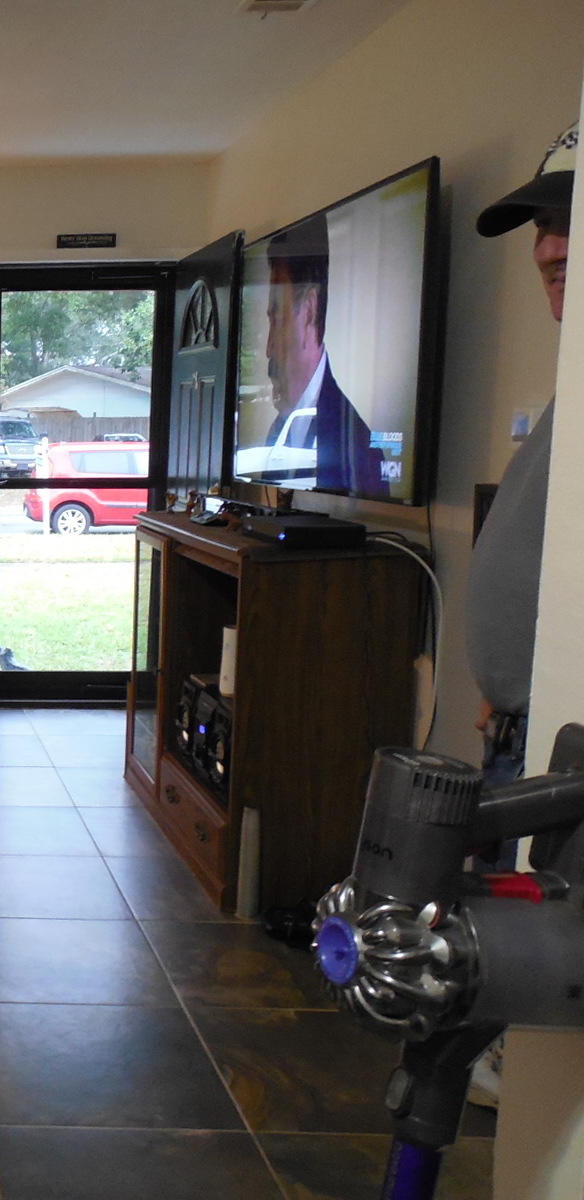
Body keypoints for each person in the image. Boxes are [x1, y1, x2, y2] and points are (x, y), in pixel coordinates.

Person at [462, 118, 574, 1110]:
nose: (548, 245)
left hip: (559, 762)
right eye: (543, 221)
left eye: (572, 218)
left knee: (535, 1036)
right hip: (525, 747)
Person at [261, 217, 389, 498]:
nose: (269, 349)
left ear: (309, 309)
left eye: (277, 318)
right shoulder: (280, 428)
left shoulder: (358, 448)